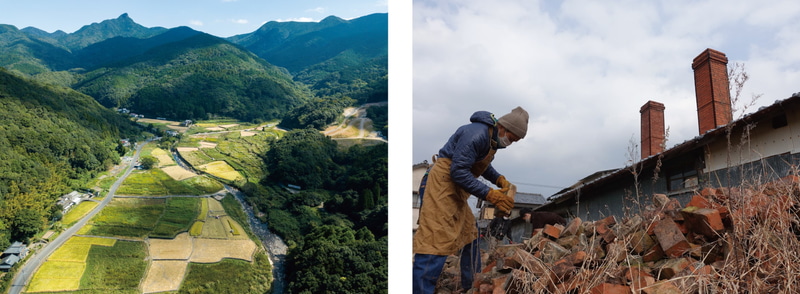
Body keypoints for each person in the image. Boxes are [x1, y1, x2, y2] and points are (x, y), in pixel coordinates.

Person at [412, 107, 529, 294]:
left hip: (454, 187)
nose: (511, 143)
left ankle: (471, 286)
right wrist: (491, 194)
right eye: (512, 138)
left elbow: (481, 165)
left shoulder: (491, 140)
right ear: (503, 127)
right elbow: (458, 172)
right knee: (435, 239)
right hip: (442, 184)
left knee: (470, 233)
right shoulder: (476, 134)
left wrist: (499, 179)